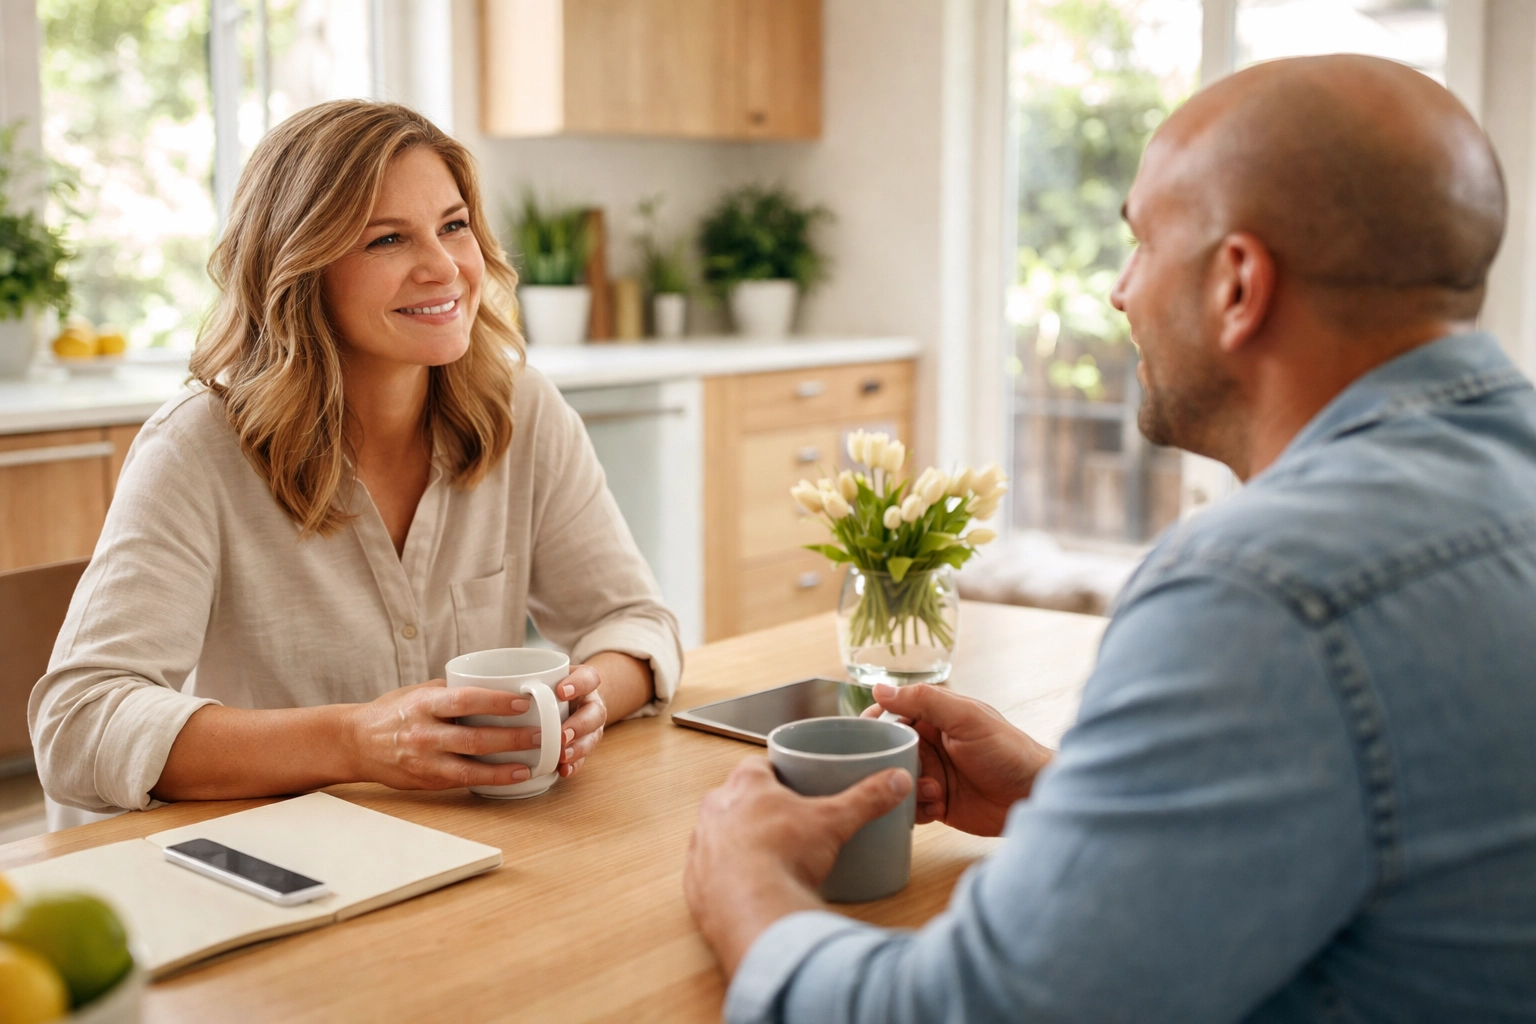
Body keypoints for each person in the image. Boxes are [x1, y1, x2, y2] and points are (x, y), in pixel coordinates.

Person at [686, 54, 1536, 1022]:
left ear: (1237, 284)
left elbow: (968, 1011)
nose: (1121, 292)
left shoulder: (1262, 590)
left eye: (1141, 244)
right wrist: (1071, 802)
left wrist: (746, 882)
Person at [31, 101, 681, 827]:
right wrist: (356, 742)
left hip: (483, 846)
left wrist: (584, 702)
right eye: (388, 240)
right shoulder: (196, 449)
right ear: (301, 266)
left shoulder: (521, 410)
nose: (443, 268)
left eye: (454, 225)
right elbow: (78, 724)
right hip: (275, 857)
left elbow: (632, 621)